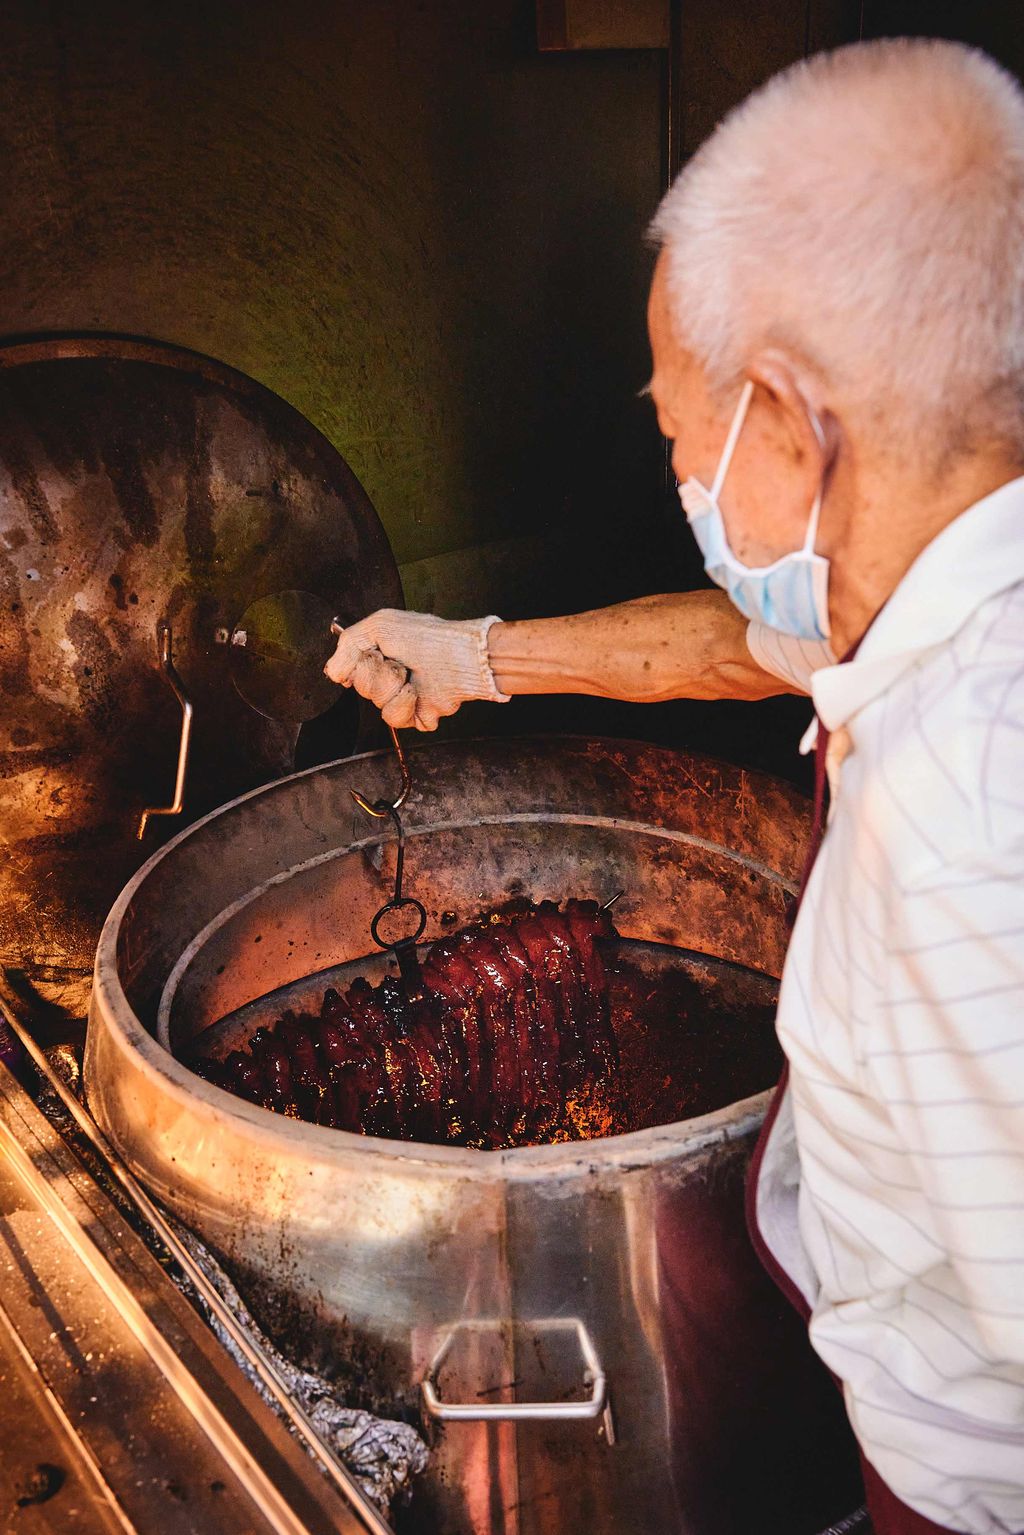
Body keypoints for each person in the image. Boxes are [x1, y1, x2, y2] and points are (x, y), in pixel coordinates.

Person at [326, 38, 1024, 1535]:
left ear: (782, 417)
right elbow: (751, 638)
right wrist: (480, 657)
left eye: (672, 425)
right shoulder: (952, 580)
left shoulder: (968, 819)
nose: (678, 469)